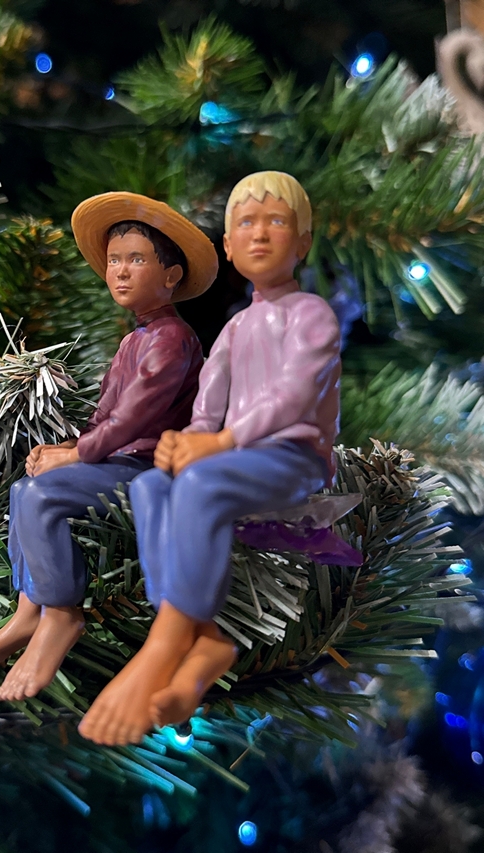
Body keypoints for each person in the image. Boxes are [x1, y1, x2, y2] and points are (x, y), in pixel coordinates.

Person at [78, 171, 341, 747]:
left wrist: (218, 444)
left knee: (202, 486)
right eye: (246, 223)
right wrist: (187, 441)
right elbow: (207, 407)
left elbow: (294, 395)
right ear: (227, 246)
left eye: (276, 222)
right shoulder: (234, 329)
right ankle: (203, 643)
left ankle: (163, 645)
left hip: (293, 458)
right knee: (151, 487)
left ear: (302, 241)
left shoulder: (312, 315)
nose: (260, 234)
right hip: (235, 456)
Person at [0, 192, 218, 701]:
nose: (121, 271)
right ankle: (28, 609)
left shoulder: (171, 339)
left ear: (171, 275)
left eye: (136, 259)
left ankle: (61, 613)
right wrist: (67, 446)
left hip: (149, 472)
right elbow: (105, 416)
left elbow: (134, 417)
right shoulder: (133, 340)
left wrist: (75, 455)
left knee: (41, 497)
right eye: (114, 261)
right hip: (116, 461)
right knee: (25, 488)